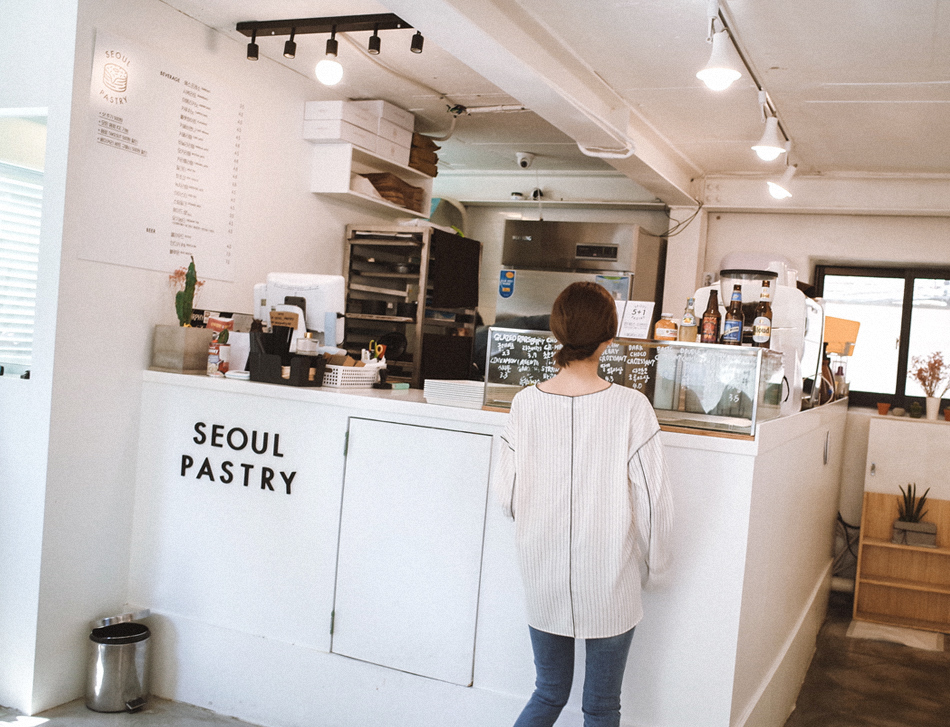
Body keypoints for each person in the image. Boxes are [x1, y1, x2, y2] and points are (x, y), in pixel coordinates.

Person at [493, 282, 674, 727]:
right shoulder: (632, 407)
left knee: (548, 692)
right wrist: (657, 569)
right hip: (610, 579)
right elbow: (654, 503)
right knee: (601, 707)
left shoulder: (524, 404)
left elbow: (506, 497)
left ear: (557, 331)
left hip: (543, 575)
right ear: (609, 338)